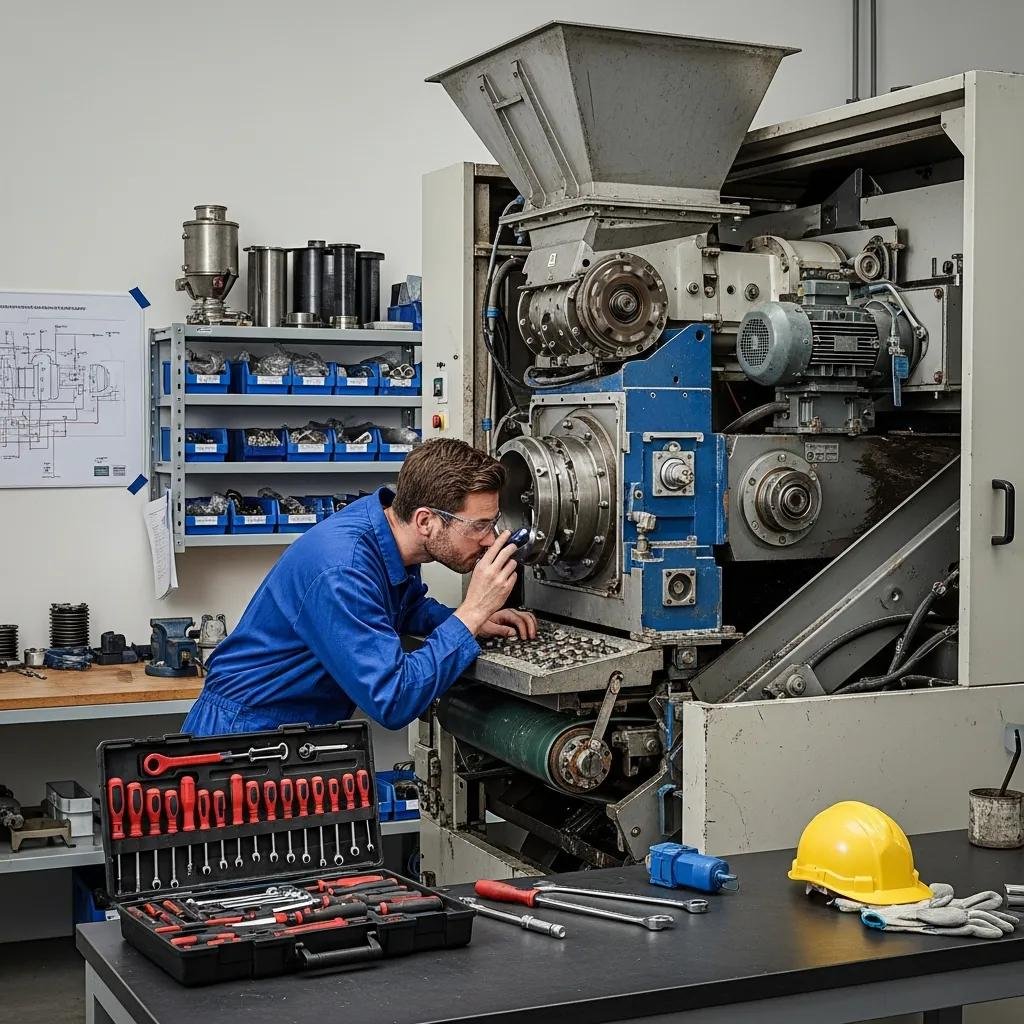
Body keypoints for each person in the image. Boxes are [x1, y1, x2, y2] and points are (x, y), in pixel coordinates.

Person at [182, 438, 537, 736]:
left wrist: (468, 619)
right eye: (479, 526)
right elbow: (392, 699)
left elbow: (404, 606)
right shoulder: (344, 569)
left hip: (290, 729)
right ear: (425, 521)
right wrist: (471, 613)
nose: (491, 540)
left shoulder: (388, 532)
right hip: (243, 734)